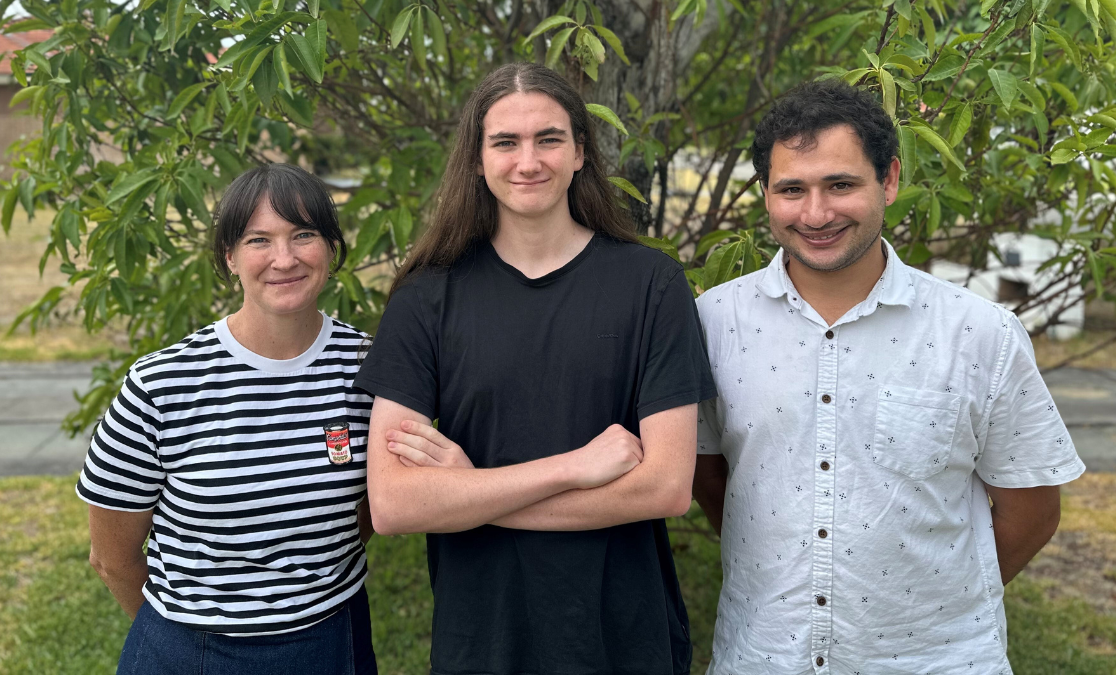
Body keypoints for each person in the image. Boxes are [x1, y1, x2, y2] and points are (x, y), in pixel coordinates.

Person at [691, 79, 1084, 674]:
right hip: (764, 657)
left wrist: (935, 604)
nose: (816, 213)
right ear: (765, 195)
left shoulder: (980, 335)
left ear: (890, 179)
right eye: (792, 189)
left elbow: (1032, 510)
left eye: (841, 185)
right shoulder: (711, 324)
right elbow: (709, 474)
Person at [356, 62, 716, 675]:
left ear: (580, 152)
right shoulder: (427, 296)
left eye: (549, 139)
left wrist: (468, 491)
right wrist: (574, 468)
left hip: (623, 636)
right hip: (483, 636)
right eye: (505, 142)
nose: (529, 161)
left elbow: (666, 488)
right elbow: (395, 504)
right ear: (476, 159)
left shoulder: (652, 285)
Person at [77, 164, 378, 674]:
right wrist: (185, 631)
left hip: (333, 639)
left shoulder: (371, 369)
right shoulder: (161, 384)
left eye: (303, 234)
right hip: (189, 651)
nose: (284, 259)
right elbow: (112, 557)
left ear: (330, 247)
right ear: (230, 258)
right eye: (258, 239)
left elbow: (366, 515)